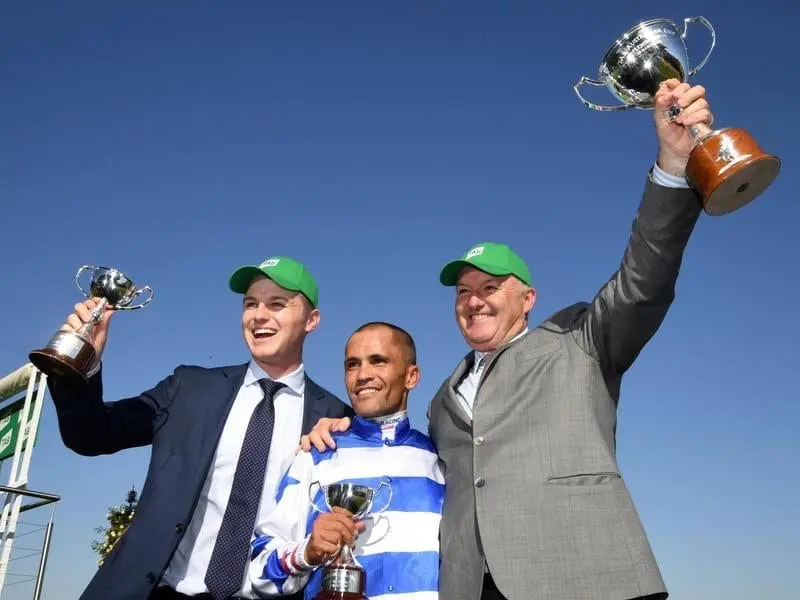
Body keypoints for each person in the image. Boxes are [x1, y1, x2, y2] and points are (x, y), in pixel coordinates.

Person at [302, 79, 717, 600]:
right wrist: (341, 424)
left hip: (588, 577)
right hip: (475, 587)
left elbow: (644, 279)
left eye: (491, 287)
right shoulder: (440, 402)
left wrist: (674, 168)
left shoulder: (580, 341)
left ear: (529, 299)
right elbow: (402, 452)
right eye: (464, 290)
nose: (473, 299)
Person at [46, 256, 354, 600]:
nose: (259, 315)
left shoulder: (336, 418)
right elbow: (90, 435)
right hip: (162, 592)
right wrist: (81, 362)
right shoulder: (187, 387)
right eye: (250, 304)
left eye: (277, 304)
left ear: (311, 320)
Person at [248, 321, 443, 600]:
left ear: (411, 377)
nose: (362, 374)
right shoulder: (316, 452)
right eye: (352, 364)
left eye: (378, 361)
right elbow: (260, 568)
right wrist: (308, 551)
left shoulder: (440, 459)